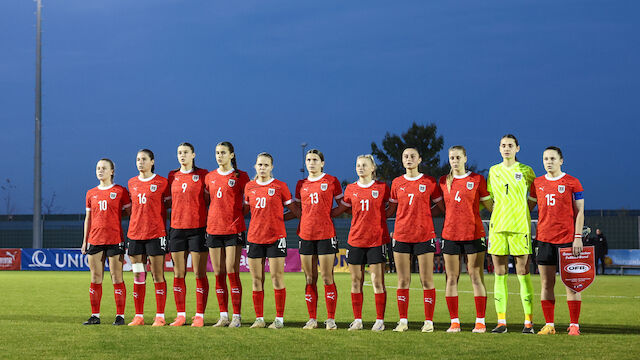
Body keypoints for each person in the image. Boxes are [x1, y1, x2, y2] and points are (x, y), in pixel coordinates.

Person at [529, 146, 585, 336]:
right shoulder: (537, 183)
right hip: (544, 239)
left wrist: (577, 238)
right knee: (546, 284)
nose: (549, 162)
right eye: (545, 159)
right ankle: (549, 324)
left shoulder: (572, 182)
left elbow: (580, 212)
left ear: (561, 160)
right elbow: (527, 206)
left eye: (553, 158)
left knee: (571, 284)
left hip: (567, 241)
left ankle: (574, 325)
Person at [386, 148, 443, 333]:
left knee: (427, 280)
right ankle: (403, 321)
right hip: (402, 235)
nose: (409, 159)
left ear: (419, 159)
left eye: (412, 156)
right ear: (402, 160)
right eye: (405, 156)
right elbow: (391, 210)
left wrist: (425, 215)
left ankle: (429, 322)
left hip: (424, 236)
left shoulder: (429, 182)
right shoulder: (397, 183)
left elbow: (441, 207)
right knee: (403, 280)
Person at [438, 146, 494, 333]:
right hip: (450, 235)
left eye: (458, 157)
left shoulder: (477, 179)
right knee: (451, 278)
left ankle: (480, 322)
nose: (454, 161)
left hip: (474, 234)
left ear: (465, 159)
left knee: (475, 276)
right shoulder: (443, 181)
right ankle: (454, 322)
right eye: (451, 158)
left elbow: (491, 206)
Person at [332, 155, 390, 332]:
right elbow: (344, 209)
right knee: (356, 281)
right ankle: (358, 320)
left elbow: (393, 207)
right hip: (355, 239)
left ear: (373, 168)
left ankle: (379, 320)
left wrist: (378, 219)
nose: (360, 168)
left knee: (377, 281)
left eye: (364, 165)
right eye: (358, 165)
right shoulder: (350, 188)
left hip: (376, 239)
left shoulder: (382, 188)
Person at [487, 134, 537, 333]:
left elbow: (533, 197)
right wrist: (500, 213)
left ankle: (528, 323)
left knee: (523, 274)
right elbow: (489, 200)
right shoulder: (493, 171)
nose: (506, 148)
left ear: (518, 148)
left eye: (510, 145)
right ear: (499, 148)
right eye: (503, 145)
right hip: (498, 228)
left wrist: (521, 211)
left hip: (520, 228)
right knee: (499, 274)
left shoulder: (526, 171)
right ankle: (501, 322)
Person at [244, 153, 300, 329]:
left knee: (276, 278)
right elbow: (245, 210)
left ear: (272, 167)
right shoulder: (249, 187)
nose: (262, 168)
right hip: (254, 237)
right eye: (260, 165)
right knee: (256, 280)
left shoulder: (280, 186)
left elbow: (295, 210)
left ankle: (279, 319)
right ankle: (259, 319)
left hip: (276, 237)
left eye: (266, 165)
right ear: (255, 166)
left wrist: (280, 219)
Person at [293, 149, 343, 330]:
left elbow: (343, 204)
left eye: (315, 160)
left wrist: (329, 216)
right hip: (305, 235)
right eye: (308, 160)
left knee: (327, 277)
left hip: (326, 234)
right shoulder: (301, 184)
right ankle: (312, 319)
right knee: (309, 277)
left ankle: (330, 319)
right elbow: (297, 208)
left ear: (322, 163)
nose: (311, 162)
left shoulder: (331, 181)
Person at [205, 142, 251, 327]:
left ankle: (236, 317)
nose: (219, 155)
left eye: (223, 152)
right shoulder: (210, 177)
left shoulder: (241, 176)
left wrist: (235, 216)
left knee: (232, 272)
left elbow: (248, 203)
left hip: (234, 230)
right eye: (217, 152)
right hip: (213, 229)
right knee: (219, 274)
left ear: (231, 155)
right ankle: (223, 315)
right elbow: (208, 201)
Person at [81, 159, 131, 325]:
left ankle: (120, 316)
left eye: (104, 168)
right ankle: (95, 316)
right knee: (95, 278)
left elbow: (129, 213)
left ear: (112, 171)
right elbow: (88, 219)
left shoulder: (120, 191)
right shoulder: (91, 193)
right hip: (95, 240)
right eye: (98, 168)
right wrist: (85, 241)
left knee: (117, 278)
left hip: (115, 239)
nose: (100, 170)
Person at [167, 143, 210, 327]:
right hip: (177, 229)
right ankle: (181, 315)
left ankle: (199, 315)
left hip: (198, 228)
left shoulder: (203, 175)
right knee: (179, 273)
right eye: (179, 152)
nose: (182, 155)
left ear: (193, 154)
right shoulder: (172, 175)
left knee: (199, 273)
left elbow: (209, 200)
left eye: (185, 152)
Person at [126, 149, 171, 326]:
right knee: (138, 275)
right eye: (138, 159)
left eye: (144, 159)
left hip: (155, 234)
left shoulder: (162, 182)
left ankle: (160, 316)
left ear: (152, 161)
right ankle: (139, 316)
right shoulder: (131, 183)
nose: (140, 162)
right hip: (135, 235)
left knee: (157, 275)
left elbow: (167, 205)